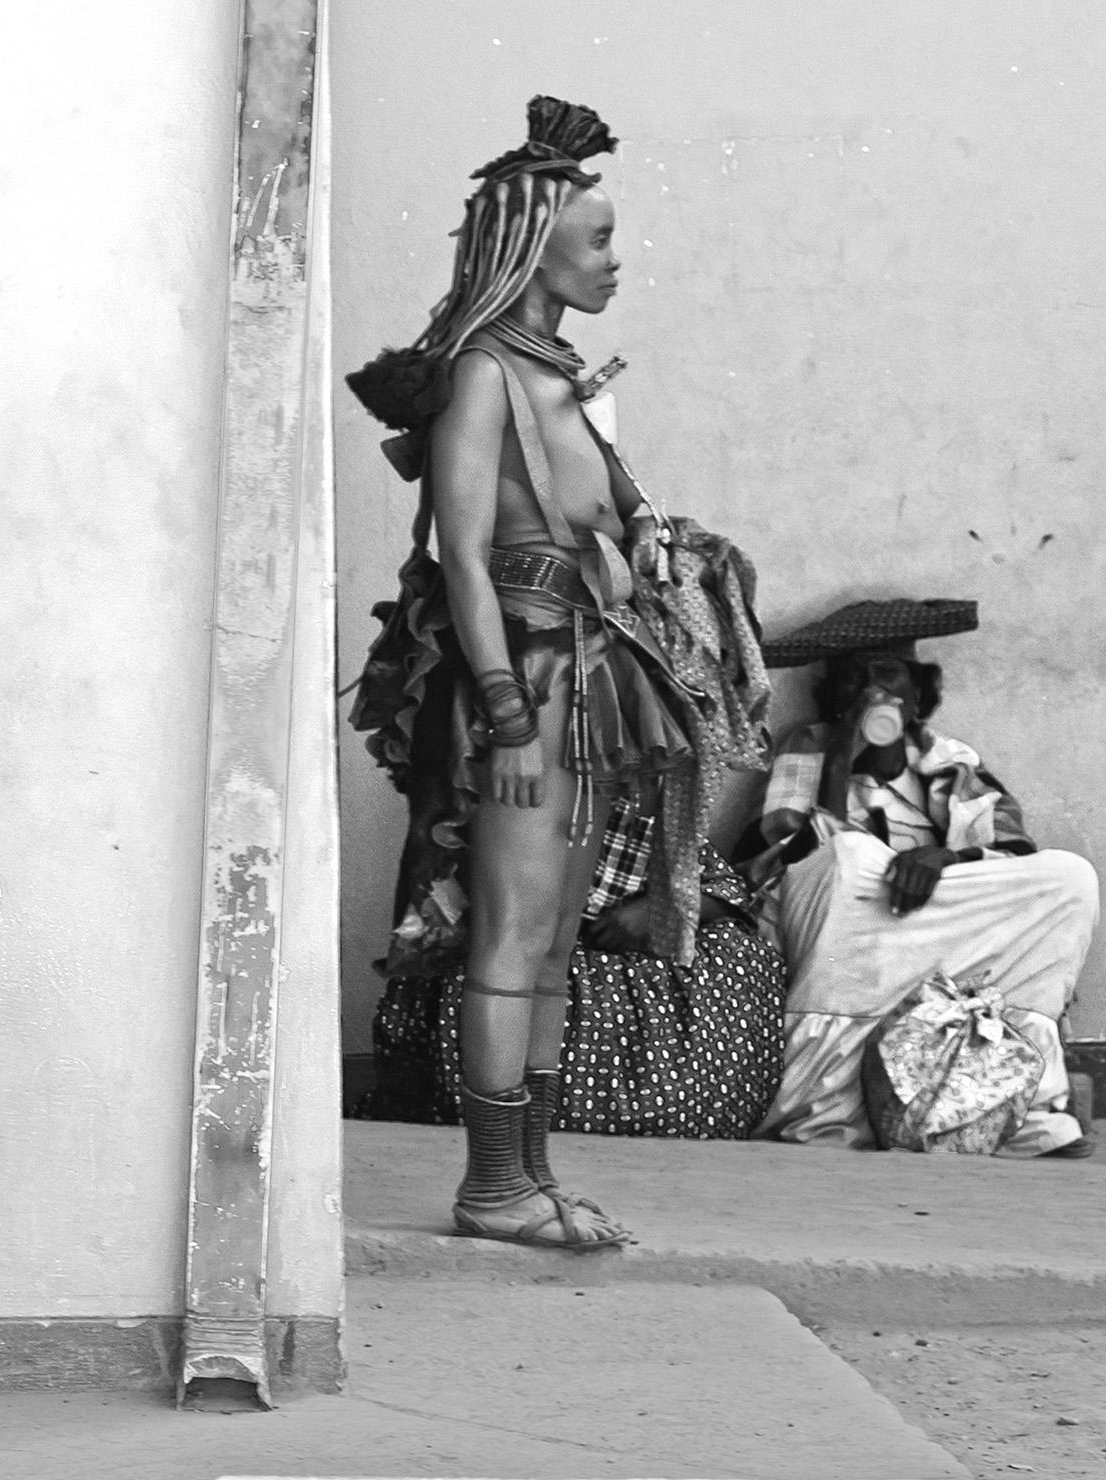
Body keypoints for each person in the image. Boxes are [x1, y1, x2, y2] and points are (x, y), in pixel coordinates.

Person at [346, 98, 704, 1249]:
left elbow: (600, 504)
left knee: (550, 942)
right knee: (508, 936)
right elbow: (459, 552)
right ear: (532, 246)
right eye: (596, 240)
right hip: (530, 688)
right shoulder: (483, 377)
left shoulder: (557, 373)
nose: (613, 260)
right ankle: (491, 1185)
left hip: (588, 681)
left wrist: (642, 533)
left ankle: (529, 1176)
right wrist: (499, 705)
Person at [741, 600, 1098, 1157]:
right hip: (851, 935)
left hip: (938, 938)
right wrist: (842, 756)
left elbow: (1009, 848)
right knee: (848, 854)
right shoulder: (808, 744)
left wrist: (943, 859)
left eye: (886, 675)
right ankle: (828, 1107)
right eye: (853, 678)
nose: (871, 691)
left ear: (917, 694)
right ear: (832, 696)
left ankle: (1021, 1104)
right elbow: (785, 855)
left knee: (1069, 878)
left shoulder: (949, 760)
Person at [360, 800, 786, 1140]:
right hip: (537, 955)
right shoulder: (509, 809)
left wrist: (655, 912)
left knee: (740, 953)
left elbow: (726, 896)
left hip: (644, 961)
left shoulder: (658, 807)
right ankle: (509, 1137)